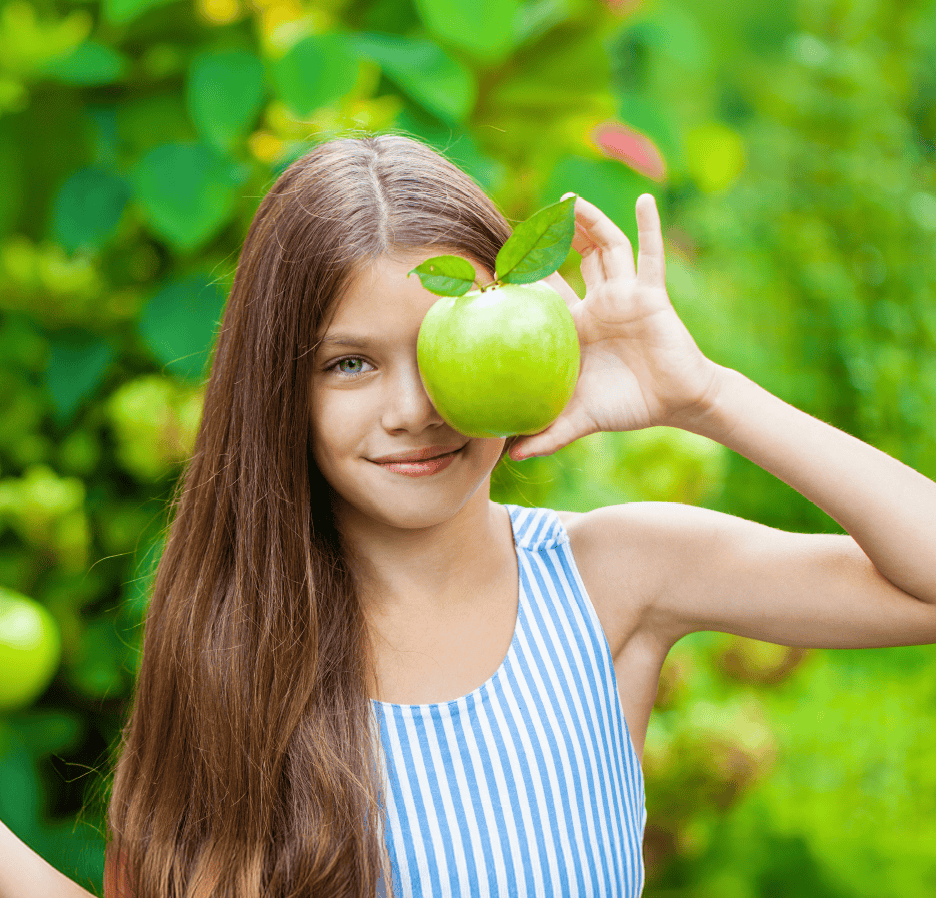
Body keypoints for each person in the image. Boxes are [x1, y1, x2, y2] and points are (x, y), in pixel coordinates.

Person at [3, 131, 935, 898]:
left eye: (443, 346)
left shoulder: (613, 578)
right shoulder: (238, 635)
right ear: (278, 389)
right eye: (349, 363)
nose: (412, 409)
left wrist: (705, 396)